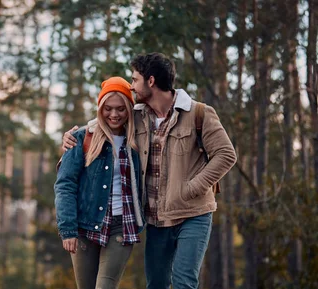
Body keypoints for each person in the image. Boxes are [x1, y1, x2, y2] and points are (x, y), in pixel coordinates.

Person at [61, 53, 237, 289]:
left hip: (193, 213)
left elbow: (226, 154)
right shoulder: (138, 116)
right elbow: (106, 119)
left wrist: (193, 187)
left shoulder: (199, 113)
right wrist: (73, 137)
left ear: (151, 81)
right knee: (156, 283)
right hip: (156, 218)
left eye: (135, 79)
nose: (131, 86)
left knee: (185, 282)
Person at [54, 77, 145, 289]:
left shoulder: (139, 139)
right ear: (100, 108)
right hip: (85, 226)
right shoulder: (81, 137)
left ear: (130, 109)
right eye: (108, 108)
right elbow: (65, 185)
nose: (114, 114)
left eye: (121, 108)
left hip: (121, 226)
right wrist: (68, 229)